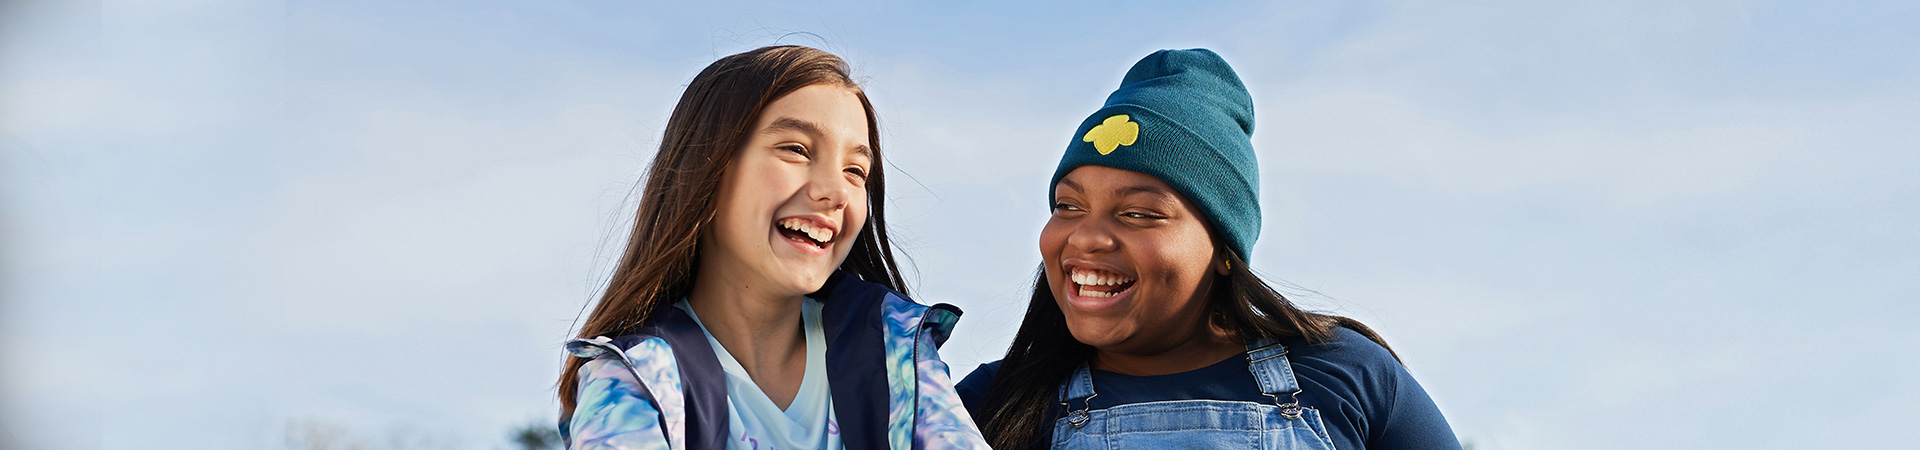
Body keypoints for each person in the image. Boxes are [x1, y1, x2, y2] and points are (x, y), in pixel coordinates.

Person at [955, 49, 1461, 450]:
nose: (1085, 237)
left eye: (1139, 213)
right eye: (1068, 207)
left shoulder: (1347, 374)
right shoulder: (987, 406)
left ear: (1224, 249)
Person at [556, 45, 988, 450]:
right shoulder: (632, 378)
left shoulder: (898, 348)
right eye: (796, 149)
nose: (836, 191)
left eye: (856, 170)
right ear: (707, 167)